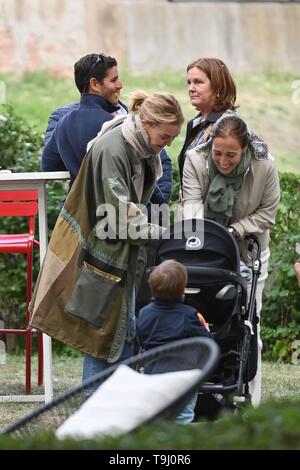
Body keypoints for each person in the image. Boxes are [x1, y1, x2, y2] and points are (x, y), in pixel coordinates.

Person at [30, 90, 184, 390]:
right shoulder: (114, 150)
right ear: (147, 123)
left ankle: (103, 418)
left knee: (109, 336)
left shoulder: (134, 145)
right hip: (103, 258)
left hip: (115, 257)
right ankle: (101, 421)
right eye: (165, 136)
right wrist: (168, 236)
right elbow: (119, 220)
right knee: (107, 339)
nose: (168, 144)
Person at [182, 113, 280, 406]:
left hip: (249, 250)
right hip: (204, 251)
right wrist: (212, 238)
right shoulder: (196, 160)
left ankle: (252, 402)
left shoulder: (265, 165)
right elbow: (191, 205)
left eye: (232, 155)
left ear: (245, 149)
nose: (224, 161)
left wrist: (234, 231)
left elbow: (267, 212)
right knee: (199, 324)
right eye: (218, 153)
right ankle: (197, 399)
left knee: (250, 329)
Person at [137, 260, 211, 423]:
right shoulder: (188, 316)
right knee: (183, 415)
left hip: (154, 375)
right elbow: (207, 343)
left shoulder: (144, 313)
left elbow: (141, 339)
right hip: (183, 378)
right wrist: (206, 330)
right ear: (182, 291)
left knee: (157, 412)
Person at [41, 53, 126, 183]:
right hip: (115, 202)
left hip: (78, 203)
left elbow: (48, 166)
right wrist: (160, 201)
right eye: (114, 80)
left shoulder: (63, 123)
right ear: (94, 85)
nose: (120, 85)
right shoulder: (116, 126)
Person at [178, 57, 237, 184]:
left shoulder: (229, 124)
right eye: (189, 82)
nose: (191, 88)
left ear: (218, 86)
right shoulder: (195, 123)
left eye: (198, 82)